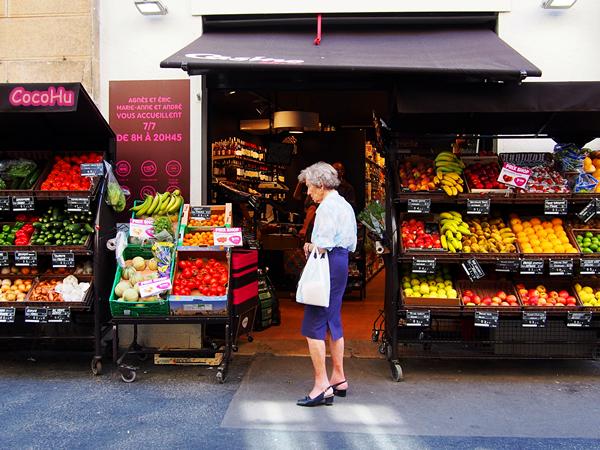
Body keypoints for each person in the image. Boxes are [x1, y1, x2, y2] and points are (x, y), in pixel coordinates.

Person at [296, 162, 357, 407]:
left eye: (310, 187)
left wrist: (309, 246)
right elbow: (350, 241)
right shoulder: (344, 205)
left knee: (314, 324)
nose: (308, 192)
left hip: (327, 264)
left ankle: (321, 385)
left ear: (320, 185)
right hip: (341, 263)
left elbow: (322, 244)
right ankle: (339, 378)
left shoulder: (325, 209)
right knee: (333, 319)